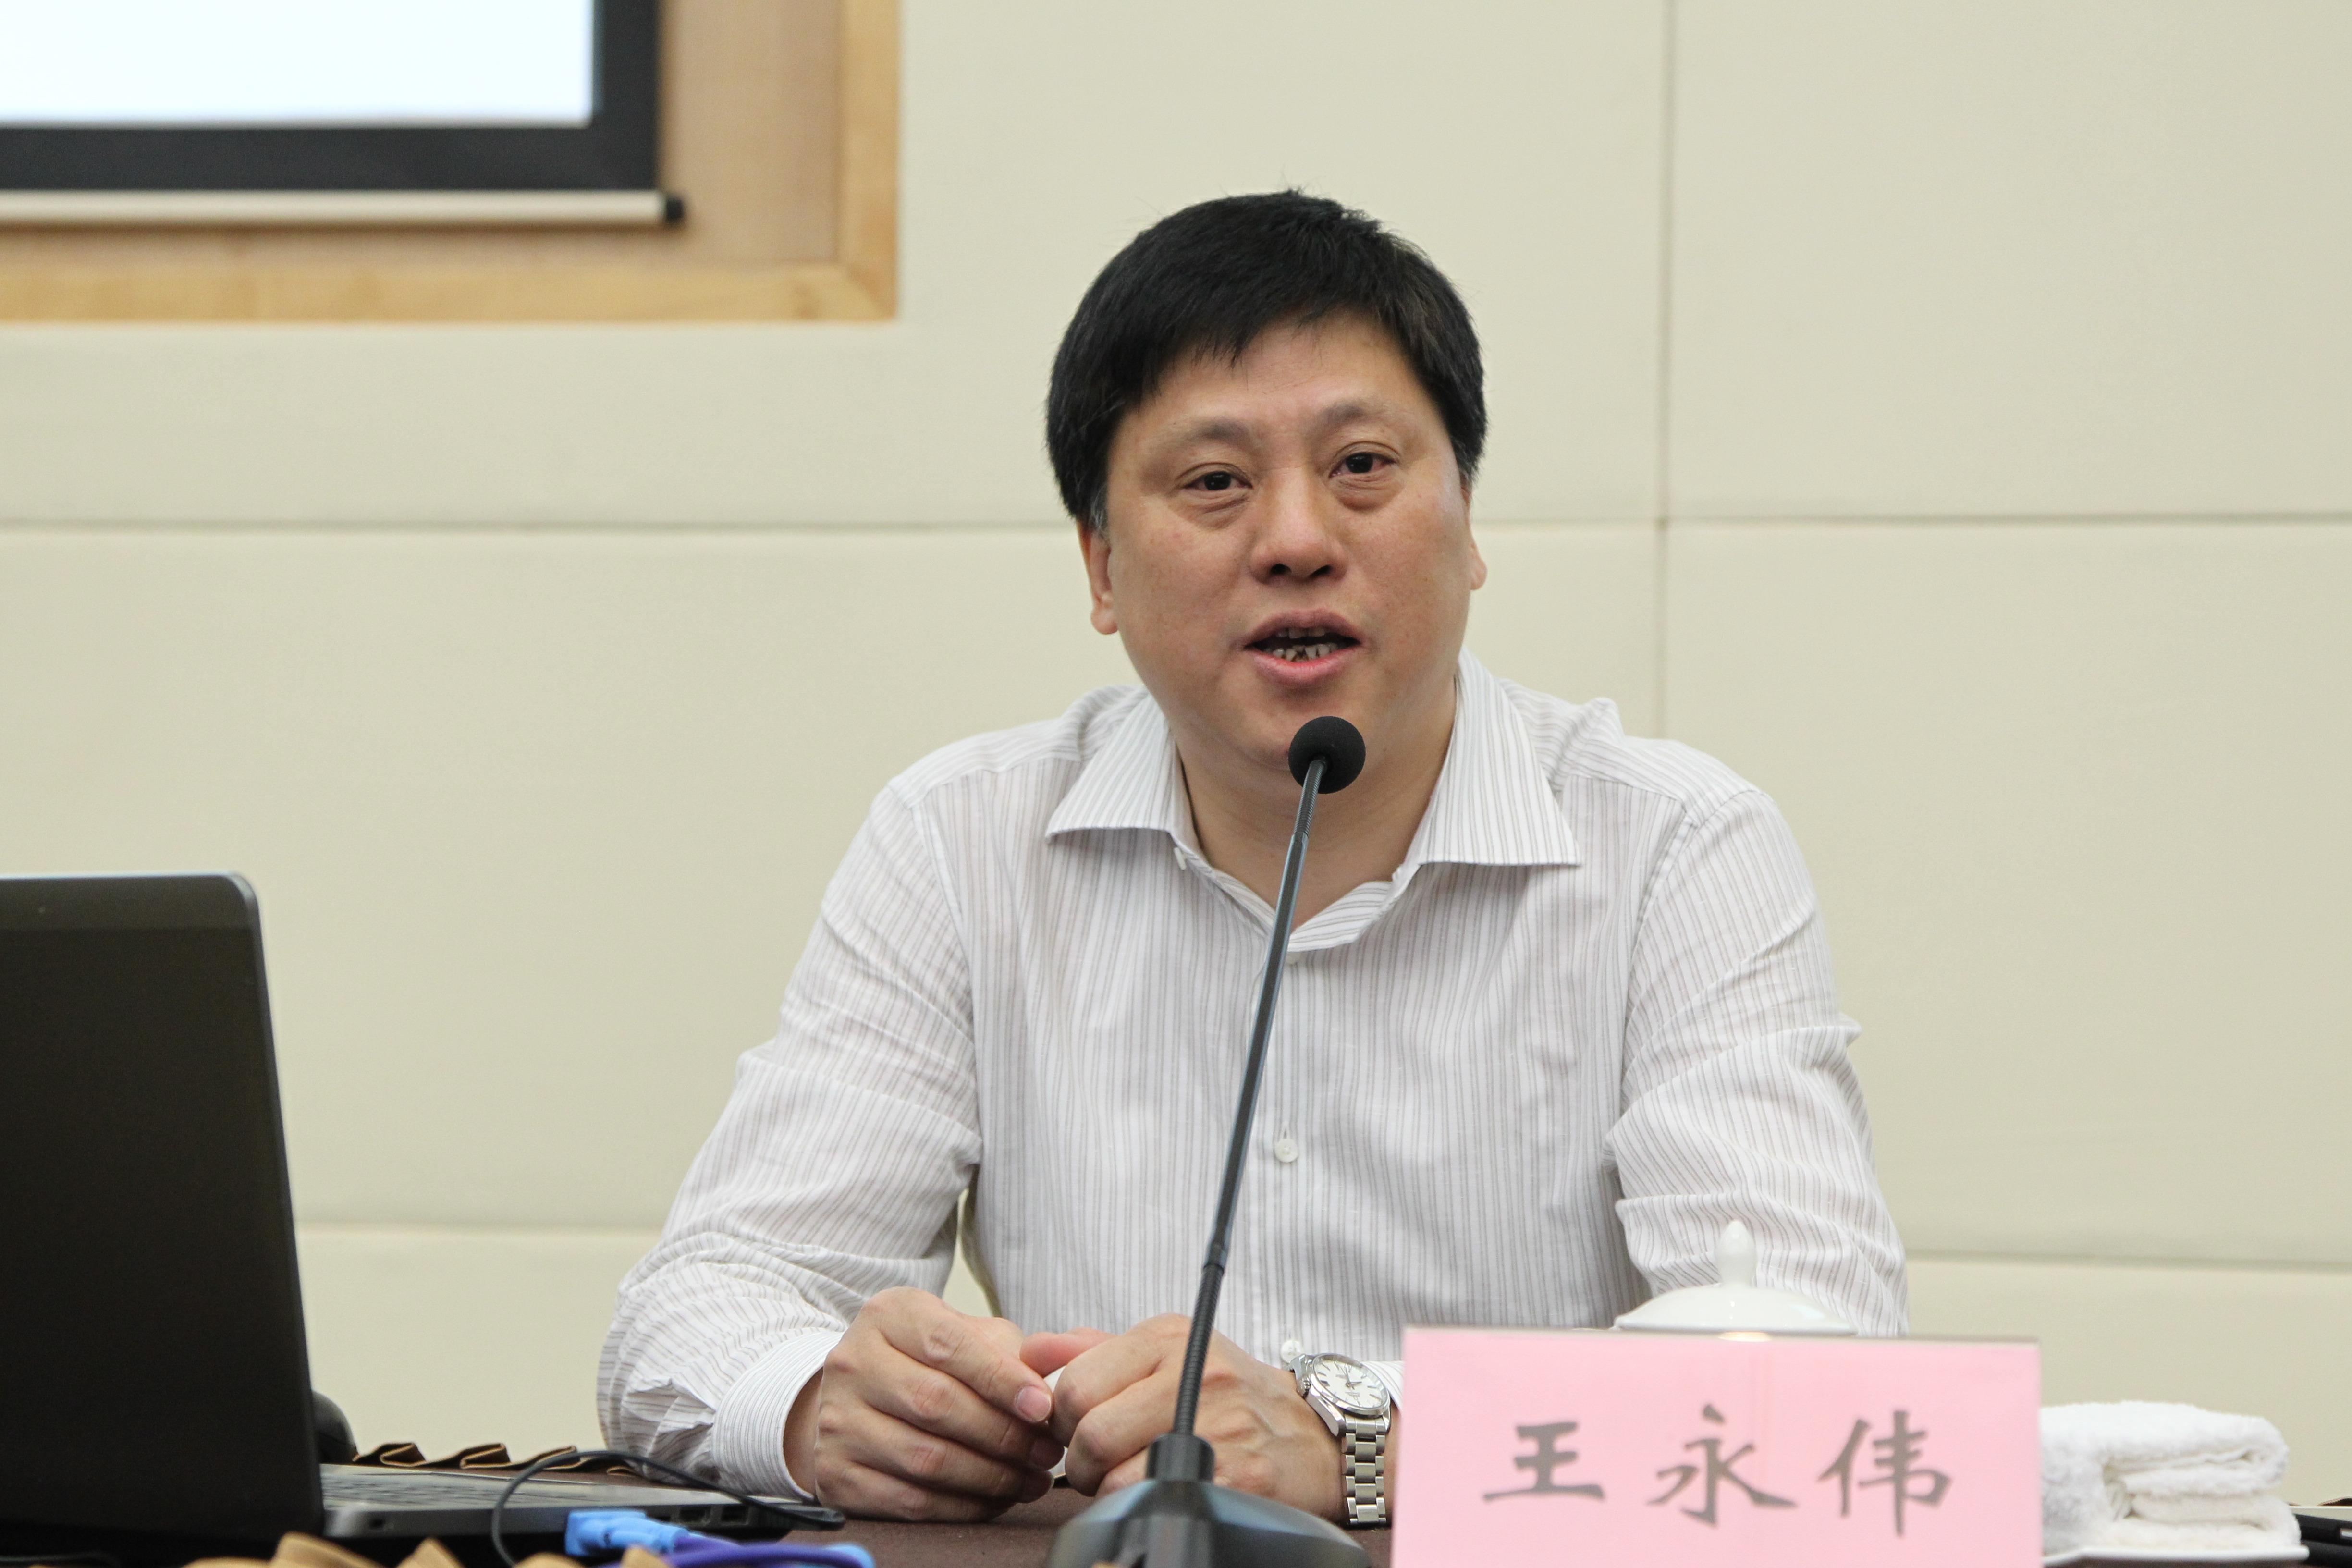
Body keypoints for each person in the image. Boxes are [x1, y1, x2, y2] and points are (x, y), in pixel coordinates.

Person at [600, 191, 1906, 1526]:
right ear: (1102, 568)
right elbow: (694, 1309)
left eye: (1362, 466)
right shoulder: (962, 839)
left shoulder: (1677, 846)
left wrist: (1367, 1442)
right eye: (1215, 483)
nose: (1296, 541)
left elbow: (1829, 1381)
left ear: (1468, 522)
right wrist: (824, 1406)